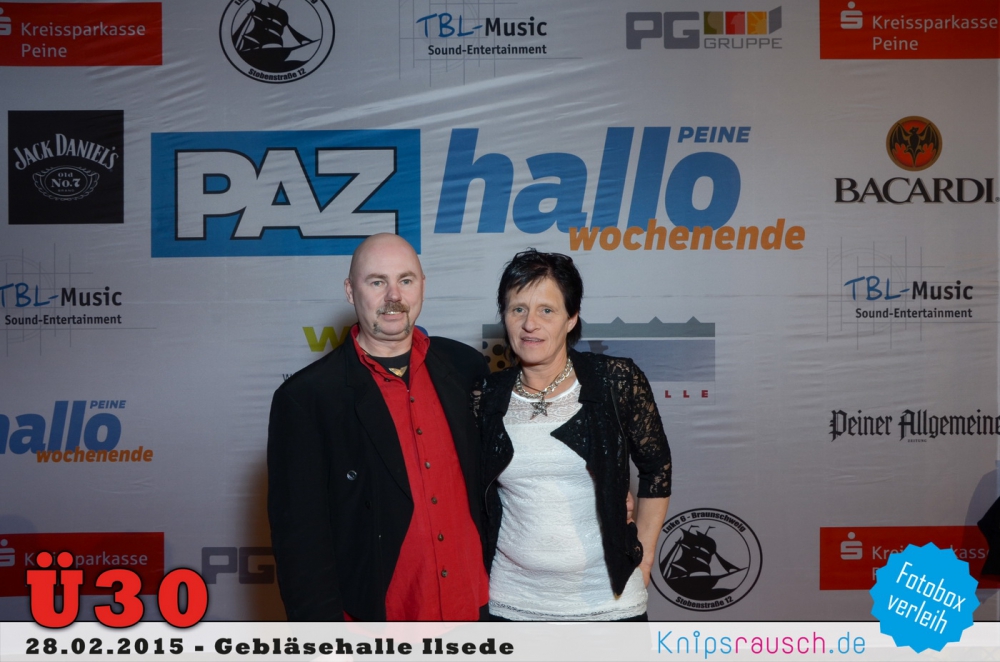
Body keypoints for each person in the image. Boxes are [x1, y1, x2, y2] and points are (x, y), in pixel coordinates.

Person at [267, 233, 490, 621]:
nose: (394, 296)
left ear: (423, 286)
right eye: (377, 282)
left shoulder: (465, 366)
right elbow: (300, 542)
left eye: (406, 280)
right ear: (350, 291)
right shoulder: (307, 398)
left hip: (477, 609)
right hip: (380, 623)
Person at [477, 249, 672, 621]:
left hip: (610, 603)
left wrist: (645, 558)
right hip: (512, 602)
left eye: (546, 310)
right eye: (518, 309)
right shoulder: (483, 395)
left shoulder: (616, 381)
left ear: (571, 318)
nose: (530, 324)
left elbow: (657, 468)